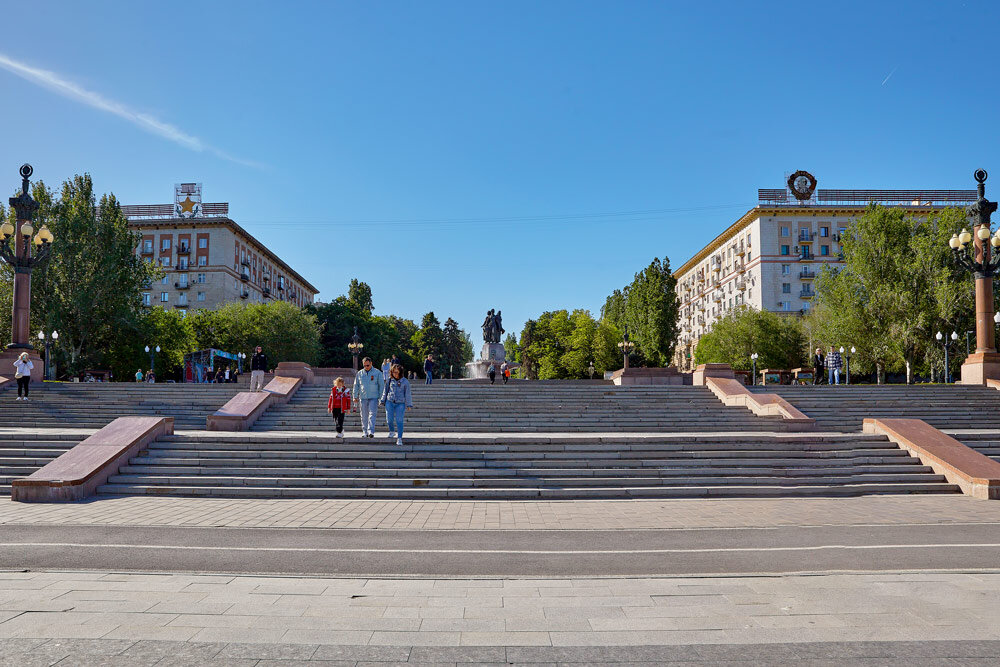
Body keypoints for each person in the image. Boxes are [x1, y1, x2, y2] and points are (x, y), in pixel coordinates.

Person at [380, 363, 413, 446]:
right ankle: (391, 431)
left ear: (400, 372)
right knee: (389, 419)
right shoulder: (389, 380)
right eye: (394, 372)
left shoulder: (405, 382)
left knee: (399, 420)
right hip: (390, 401)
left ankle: (399, 438)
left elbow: (408, 394)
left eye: (397, 372)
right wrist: (382, 400)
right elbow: (385, 390)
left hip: (400, 403)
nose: (395, 374)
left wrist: (409, 404)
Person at [352, 357, 385, 438]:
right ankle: (365, 431)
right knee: (363, 415)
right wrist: (355, 396)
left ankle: (371, 431)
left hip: (374, 397)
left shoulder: (377, 372)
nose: (366, 367)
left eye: (368, 365)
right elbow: (356, 385)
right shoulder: (360, 373)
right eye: (365, 365)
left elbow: (381, 386)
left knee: (372, 414)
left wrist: (382, 398)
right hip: (363, 397)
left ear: (371, 363)